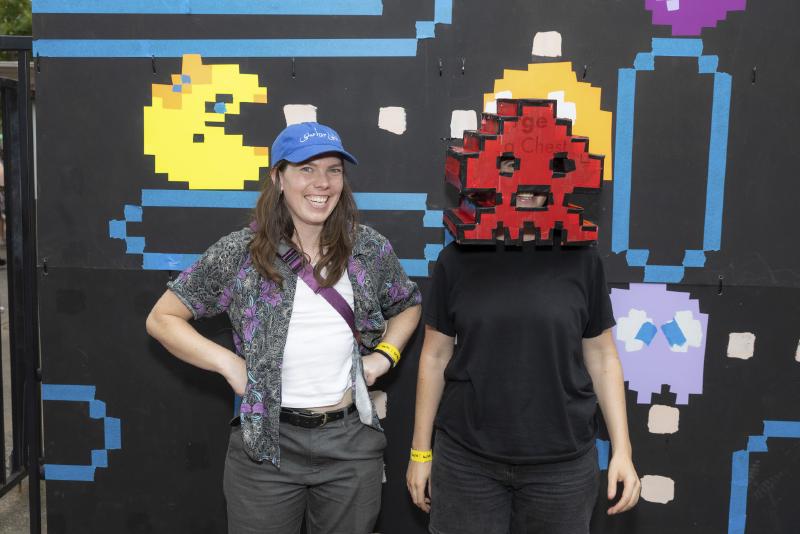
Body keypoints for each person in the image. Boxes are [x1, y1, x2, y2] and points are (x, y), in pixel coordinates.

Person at [147, 122, 422, 534]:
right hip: (265, 445)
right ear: (278, 177)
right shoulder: (241, 253)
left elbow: (408, 305)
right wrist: (228, 363)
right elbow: (162, 318)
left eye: (333, 170)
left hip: (350, 444)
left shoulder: (367, 248)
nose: (322, 183)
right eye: (306, 169)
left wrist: (385, 357)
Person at [406, 155, 640, 534]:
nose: (525, 188)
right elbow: (434, 356)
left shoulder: (582, 258)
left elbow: (602, 357)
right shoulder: (457, 258)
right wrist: (420, 452)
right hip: (467, 461)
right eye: (511, 171)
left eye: (537, 173)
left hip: (561, 467)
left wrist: (623, 451)